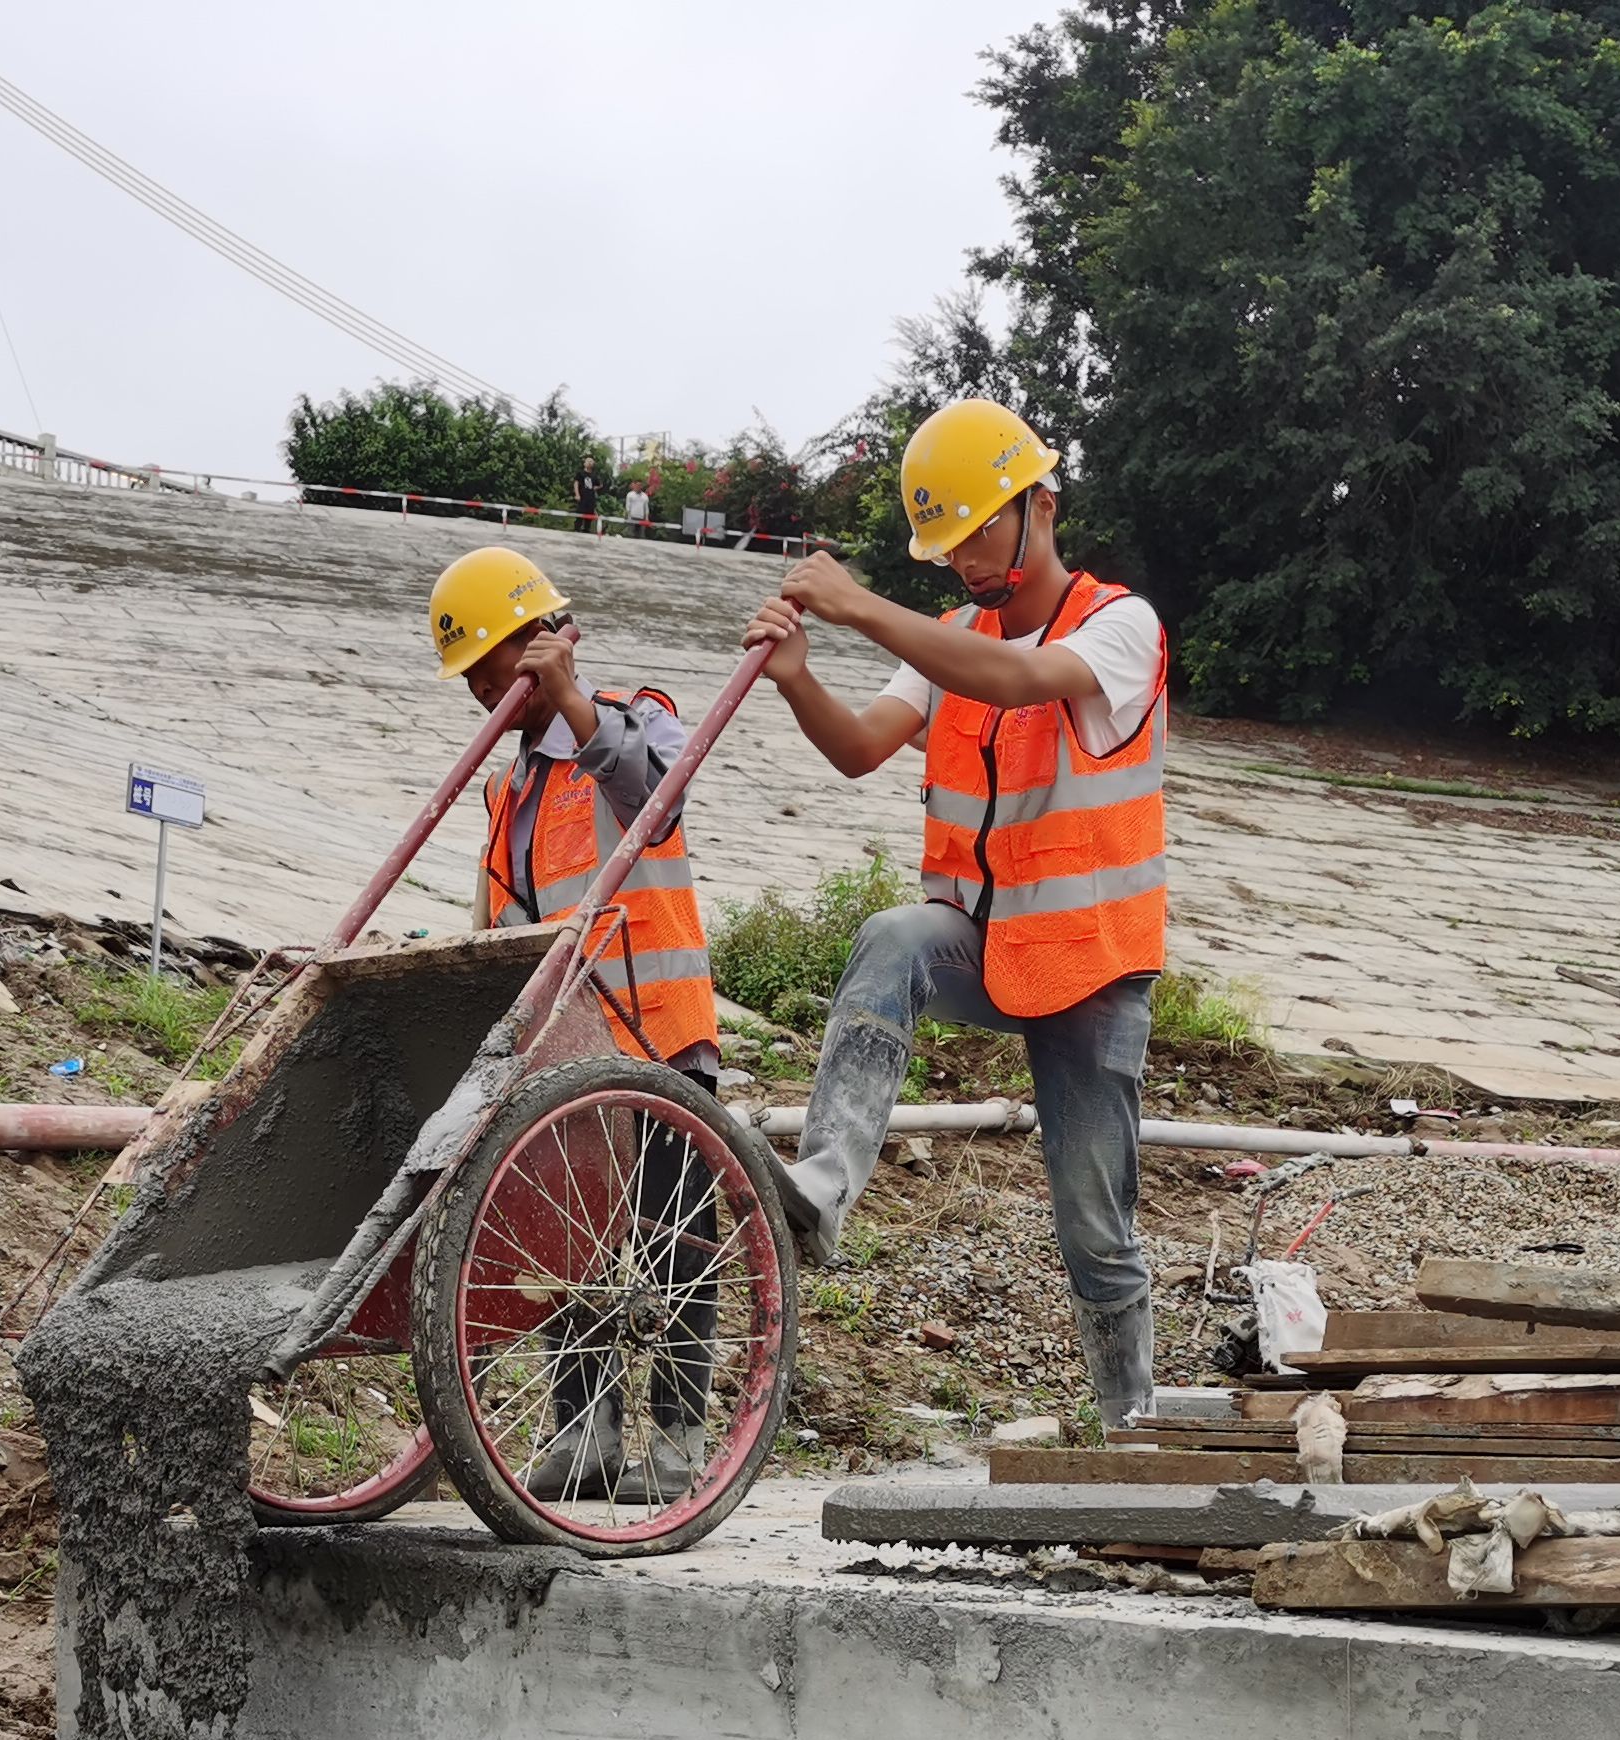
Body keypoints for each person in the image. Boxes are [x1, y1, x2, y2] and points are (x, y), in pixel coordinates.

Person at [736, 399, 1169, 1431]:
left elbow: (1023, 682)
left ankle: (1132, 1424)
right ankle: (826, 1186)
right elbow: (859, 745)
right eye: (951, 543)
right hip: (979, 944)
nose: (967, 560)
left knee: (1094, 1228)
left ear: (1041, 505)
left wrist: (859, 605)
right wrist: (800, 681)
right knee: (892, 936)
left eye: (980, 528)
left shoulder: (1121, 626)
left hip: (1092, 964)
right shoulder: (951, 638)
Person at [427, 544, 723, 1503]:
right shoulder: (506, 786)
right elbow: (504, 920)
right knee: (574, 1241)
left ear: (540, 644)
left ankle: (678, 1440)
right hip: (564, 1047)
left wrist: (576, 705)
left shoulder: (642, 723)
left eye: (491, 667)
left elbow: (656, 797)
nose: (483, 692)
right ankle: (584, 1427)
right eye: (470, 677)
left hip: (659, 1034)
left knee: (673, 1239)